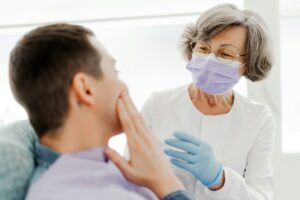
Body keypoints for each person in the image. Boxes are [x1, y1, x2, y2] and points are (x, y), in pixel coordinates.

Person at [9, 23, 193, 200]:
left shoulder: (105, 168)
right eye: (115, 71)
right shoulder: (62, 194)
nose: (124, 86)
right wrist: (167, 182)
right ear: (86, 89)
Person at [132, 4, 275, 200]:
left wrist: (219, 180)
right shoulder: (158, 104)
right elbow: (131, 178)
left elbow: (261, 196)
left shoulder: (258, 119)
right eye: (203, 47)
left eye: (225, 54)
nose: (209, 60)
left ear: (248, 64)